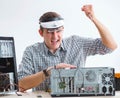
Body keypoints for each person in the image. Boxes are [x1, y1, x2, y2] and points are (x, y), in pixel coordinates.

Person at [18, 4, 117, 92]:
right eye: (50, 32)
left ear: (63, 30)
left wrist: (93, 18)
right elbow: (21, 85)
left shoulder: (77, 43)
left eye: (58, 31)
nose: (55, 36)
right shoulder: (31, 51)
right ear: (41, 33)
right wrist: (48, 72)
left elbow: (111, 46)